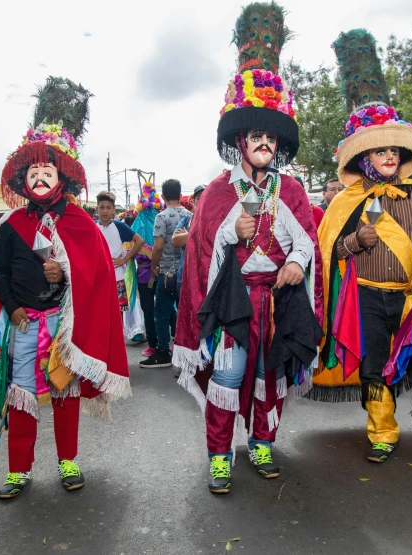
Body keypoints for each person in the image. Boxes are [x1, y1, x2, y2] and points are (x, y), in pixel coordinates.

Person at [174, 4, 322, 494]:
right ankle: (220, 454)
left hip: (276, 303)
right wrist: (229, 233)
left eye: (269, 136)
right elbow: (199, 252)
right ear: (240, 139)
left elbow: (307, 242)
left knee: (270, 377)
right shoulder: (217, 192)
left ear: (278, 143)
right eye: (254, 134)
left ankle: (262, 443)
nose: (263, 142)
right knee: (229, 376)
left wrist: (298, 263)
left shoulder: (294, 191)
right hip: (235, 305)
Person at [0, 119, 131, 500]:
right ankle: (18, 469)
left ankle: (68, 460)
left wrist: (63, 274)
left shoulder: (79, 222)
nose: (41, 178)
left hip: (64, 325)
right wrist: (12, 309)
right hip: (24, 323)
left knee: (65, 394)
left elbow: (94, 275)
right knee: (21, 395)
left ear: (60, 176)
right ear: (23, 179)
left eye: (47, 172)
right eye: (34, 172)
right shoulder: (11, 225)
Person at [316, 96, 412, 475]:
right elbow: (330, 252)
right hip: (364, 297)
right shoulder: (347, 202)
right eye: (379, 150)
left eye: (393, 150)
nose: (388, 157)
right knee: (372, 368)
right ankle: (382, 435)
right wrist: (355, 242)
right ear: (363, 157)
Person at [141, 180, 189, 368]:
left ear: (163, 196)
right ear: (179, 194)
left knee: (161, 313)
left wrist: (154, 265)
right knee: (182, 311)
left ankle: (163, 352)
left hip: (167, 272)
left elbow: (158, 246)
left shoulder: (162, 217)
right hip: (185, 271)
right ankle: (184, 349)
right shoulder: (191, 215)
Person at [95, 191, 145, 312]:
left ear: (113, 210)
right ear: (97, 209)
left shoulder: (119, 226)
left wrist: (124, 259)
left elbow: (140, 241)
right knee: (99, 312)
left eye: (108, 208)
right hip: (97, 277)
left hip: (117, 277)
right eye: (102, 207)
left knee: (118, 312)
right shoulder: (92, 227)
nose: (105, 211)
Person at [131, 183, 162, 356]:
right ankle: (169, 341)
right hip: (163, 272)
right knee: (166, 309)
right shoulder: (161, 219)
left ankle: (153, 345)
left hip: (144, 274)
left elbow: (130, 248)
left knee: (149, 310)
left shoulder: (138, 224)